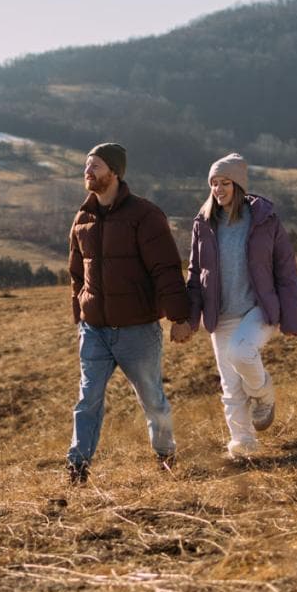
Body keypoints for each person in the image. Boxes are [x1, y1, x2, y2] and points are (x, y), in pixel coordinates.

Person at [66, 143, 192, 484]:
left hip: (137, 330)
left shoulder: (145, 216)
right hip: (94, 330)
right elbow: (77, 273)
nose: (87, 172)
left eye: (95, 166)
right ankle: (77, 468)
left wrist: (180, 318)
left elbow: (166, 270)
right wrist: (80, 313)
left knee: (152, 400)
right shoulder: (83, 218)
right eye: (86, 166)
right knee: (87, 400)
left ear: (115, 172)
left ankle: (165, 457)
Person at [178, 152, 297, 459]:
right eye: (213, 184)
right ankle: (243, 444)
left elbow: (286, 269)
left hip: (257, 308)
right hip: (219, 314)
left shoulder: (264, 220)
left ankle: (264, 395)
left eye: (225, 183)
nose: (218, 189)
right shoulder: (204, 224)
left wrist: (293, 319)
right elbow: (195, 274)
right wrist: (189, 318)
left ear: (238, 185)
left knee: (241, 352)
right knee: (230, 386)